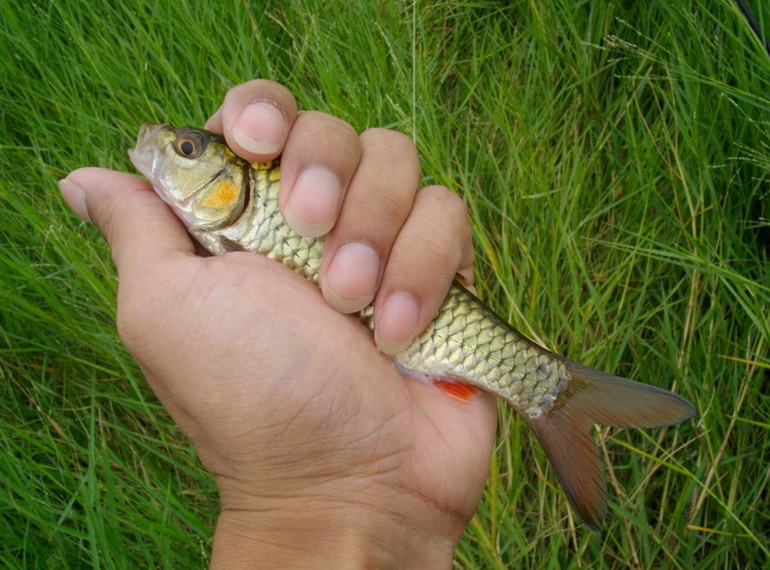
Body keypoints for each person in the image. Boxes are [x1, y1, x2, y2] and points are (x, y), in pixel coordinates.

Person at [59, 80, 497, 568]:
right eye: (189, 148)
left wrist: (349, 507)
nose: (164, 144)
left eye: (186, 149)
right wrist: (335, 500)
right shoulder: (219, 244)